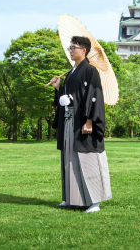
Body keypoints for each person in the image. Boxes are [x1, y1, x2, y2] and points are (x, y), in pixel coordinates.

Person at [48, 35, 112, 213]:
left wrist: (90, 121)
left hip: (83, 122)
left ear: (83, 50)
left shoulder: (90, 71)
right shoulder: (72, 72)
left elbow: (94, 96)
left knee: (88, 159)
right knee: (70, 158)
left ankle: (95, 202)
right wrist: (59, 87)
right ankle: (71, 199)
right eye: (70, 47)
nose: (70, 50)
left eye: (73, 47)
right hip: (70, 121)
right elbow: (68, 97)